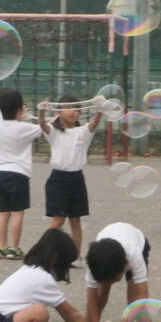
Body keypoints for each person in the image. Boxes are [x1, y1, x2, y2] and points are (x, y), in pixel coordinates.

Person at [84, 222, 161, 322]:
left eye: (114, 279)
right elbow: (91, 302)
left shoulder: (134, 255)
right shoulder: (94, 262)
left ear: (125, 265)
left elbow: (142, 296)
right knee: (100, 296)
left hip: (138, 243)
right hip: (108, 254)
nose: (113, 282)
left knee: (135, 301)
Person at [38, 95, 102, 267]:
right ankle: (45, 254)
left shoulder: (83, 132)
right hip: (58, 179)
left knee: (75, 220)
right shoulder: (54, 131)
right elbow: (43, 125)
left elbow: (95, 121)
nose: (73, 112)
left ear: (80, 113)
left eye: (76, 109)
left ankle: (76, 256)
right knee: (58, 220)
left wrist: (99, 107)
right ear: (59, 112)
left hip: (77, 179)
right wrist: (41, 112)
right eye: (68, 108)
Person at [0, 89, 43, 260]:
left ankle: (1, 247)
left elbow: (10, 120)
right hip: (19, 175)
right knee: (17, 213)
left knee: (3, 212)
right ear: (19, 110)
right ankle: (14, 248)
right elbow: (44, 128)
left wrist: (20, 114)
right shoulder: (24, 127)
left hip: (1, 173)